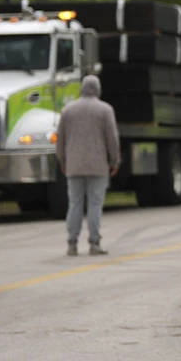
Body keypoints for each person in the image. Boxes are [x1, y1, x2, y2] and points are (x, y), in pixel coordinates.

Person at [55, 75, 121, 256]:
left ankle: (72, 243)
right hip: (98, 166)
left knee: (75, 203)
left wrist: (62, 160)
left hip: (74, 165)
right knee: (95, 204)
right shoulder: (105, 110)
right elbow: (112, 139)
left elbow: (60, 139)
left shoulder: (68, 110)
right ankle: (94, 243)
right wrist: (114, 161)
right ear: (98, 89)